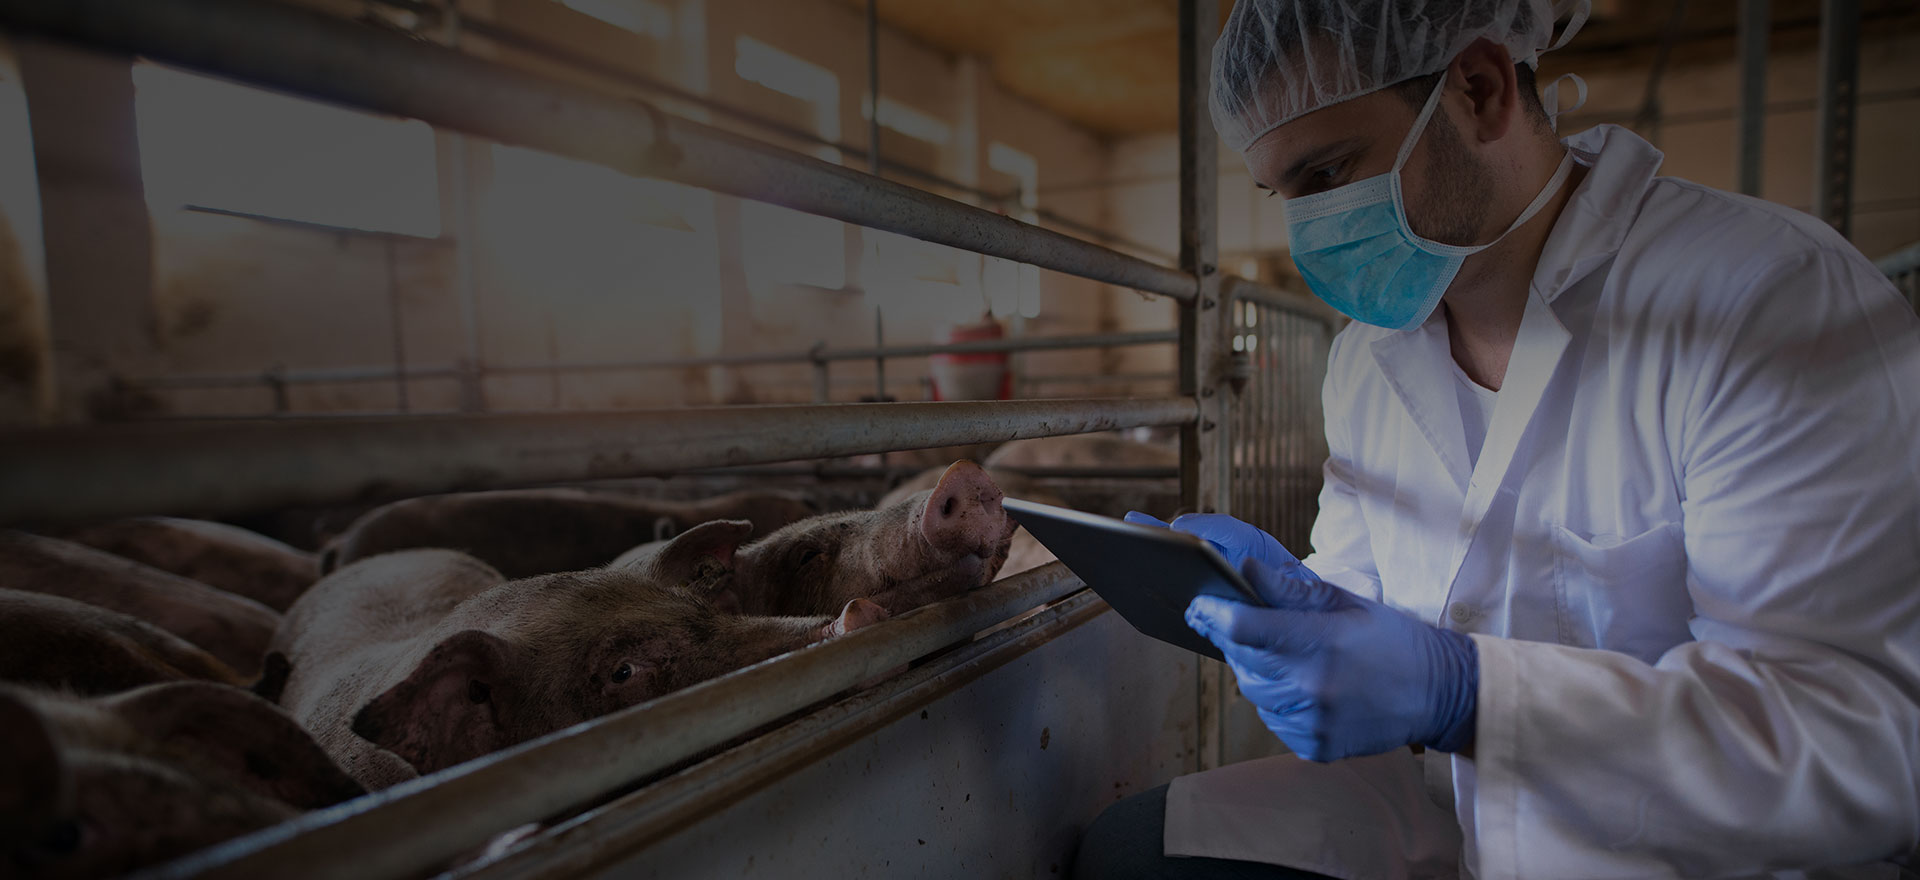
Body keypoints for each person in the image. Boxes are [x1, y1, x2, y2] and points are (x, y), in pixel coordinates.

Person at [1074, 1, 1920, 877]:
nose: (1306, 230)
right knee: (1131, 851)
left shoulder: (1769, 302)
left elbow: (1866, 742)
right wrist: (1295, 602)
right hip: (1459, 811)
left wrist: (1470, 697)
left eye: (1327, 174)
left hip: (1700, 858)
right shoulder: (1368, 355)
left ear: (1479, 91)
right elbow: (1370, 599)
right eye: (1281, 194)